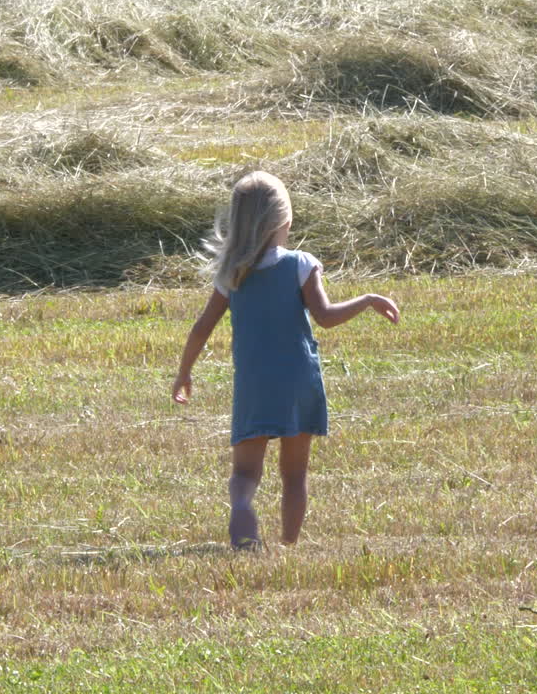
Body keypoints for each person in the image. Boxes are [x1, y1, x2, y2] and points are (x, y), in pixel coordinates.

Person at [171, 171, 400, 549]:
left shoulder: (231, 274)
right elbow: (325, 317)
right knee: (295, 475)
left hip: (254, 384)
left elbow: (200, 329)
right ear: (284, 220)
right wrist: (367, 300)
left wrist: (184, 373)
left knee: (245, 470)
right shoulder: (301, 263)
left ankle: (242, 505)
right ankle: (288, 545)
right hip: (298, 381)